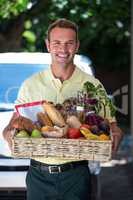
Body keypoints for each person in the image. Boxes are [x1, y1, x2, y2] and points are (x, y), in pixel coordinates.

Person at [3, 18, 123, 200]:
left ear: (77, 46)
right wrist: (7, 132)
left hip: (75, 175)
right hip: (38, 176)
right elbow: (15, 123)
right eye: (57, 43)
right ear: (48, 45)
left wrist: (116, 133)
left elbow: (111, 124)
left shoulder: (92, 85)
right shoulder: (31, 84)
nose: (63, 49)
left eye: (69, 43)